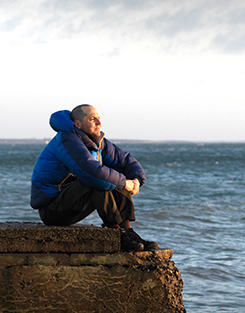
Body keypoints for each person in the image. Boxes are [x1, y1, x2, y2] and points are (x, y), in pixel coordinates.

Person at [30, 104, 159, 252]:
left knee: (115, 174)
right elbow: (91, 172)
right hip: (52, 210)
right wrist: (124, 183)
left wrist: (136, 180)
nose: (99, 123)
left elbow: (126, 161)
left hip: (72, 202)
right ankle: (117, 233)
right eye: (92, 119)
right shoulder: (66, 139)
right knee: (98, 180)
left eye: (99, 118)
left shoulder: (96, 140)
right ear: (78, 124)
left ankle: (128, 232)